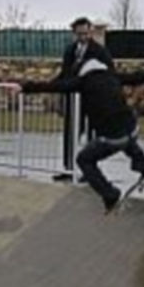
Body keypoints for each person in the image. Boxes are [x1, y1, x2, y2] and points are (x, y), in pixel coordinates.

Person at [17, 56, 144, 212]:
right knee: (127, 139)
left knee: (84, 159)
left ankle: (110, 194)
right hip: (133, 128)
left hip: (111, 137)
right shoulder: (113, 76)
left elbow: (56, 86)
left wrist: (26, 88)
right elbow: (137, 77)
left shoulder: (84, 81)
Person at [51, 17, 115, 182]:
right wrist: (52, 86)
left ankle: (90, 171)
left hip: (92, 101)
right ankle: (68, 168)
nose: (83, 37)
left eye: (86, 33)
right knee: (70, 134)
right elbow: (65, 74)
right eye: (79, 34)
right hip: (73, 100)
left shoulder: (99, 51)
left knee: (91, 137)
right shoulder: (70, 50)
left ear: (91, 32)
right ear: (74, 33)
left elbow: (109, 73)